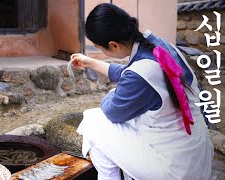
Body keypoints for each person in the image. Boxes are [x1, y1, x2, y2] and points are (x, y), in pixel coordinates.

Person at [71, 3, 214, 180]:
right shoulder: (159, 46)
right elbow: (132, 74)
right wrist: (90, 61)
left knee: (93, 121)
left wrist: (111, 94)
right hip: (196, 158)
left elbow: (113, 111)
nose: (101, 52)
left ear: (113, 45)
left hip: (174, 169)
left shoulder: (139, 75)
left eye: (101, 49)